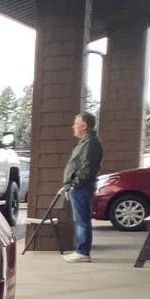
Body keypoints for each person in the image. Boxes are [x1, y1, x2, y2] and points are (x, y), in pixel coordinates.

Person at [61, 111, 103, 263]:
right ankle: (81, 250)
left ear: (84, 126)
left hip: (81, 187)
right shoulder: (85, 142)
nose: (73, 127)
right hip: (78, 187)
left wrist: (74, 184)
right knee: (79, 219)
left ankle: (83, 252)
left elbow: (87, 168)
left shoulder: (90, 143)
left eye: (76, 124)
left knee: (82, 219)